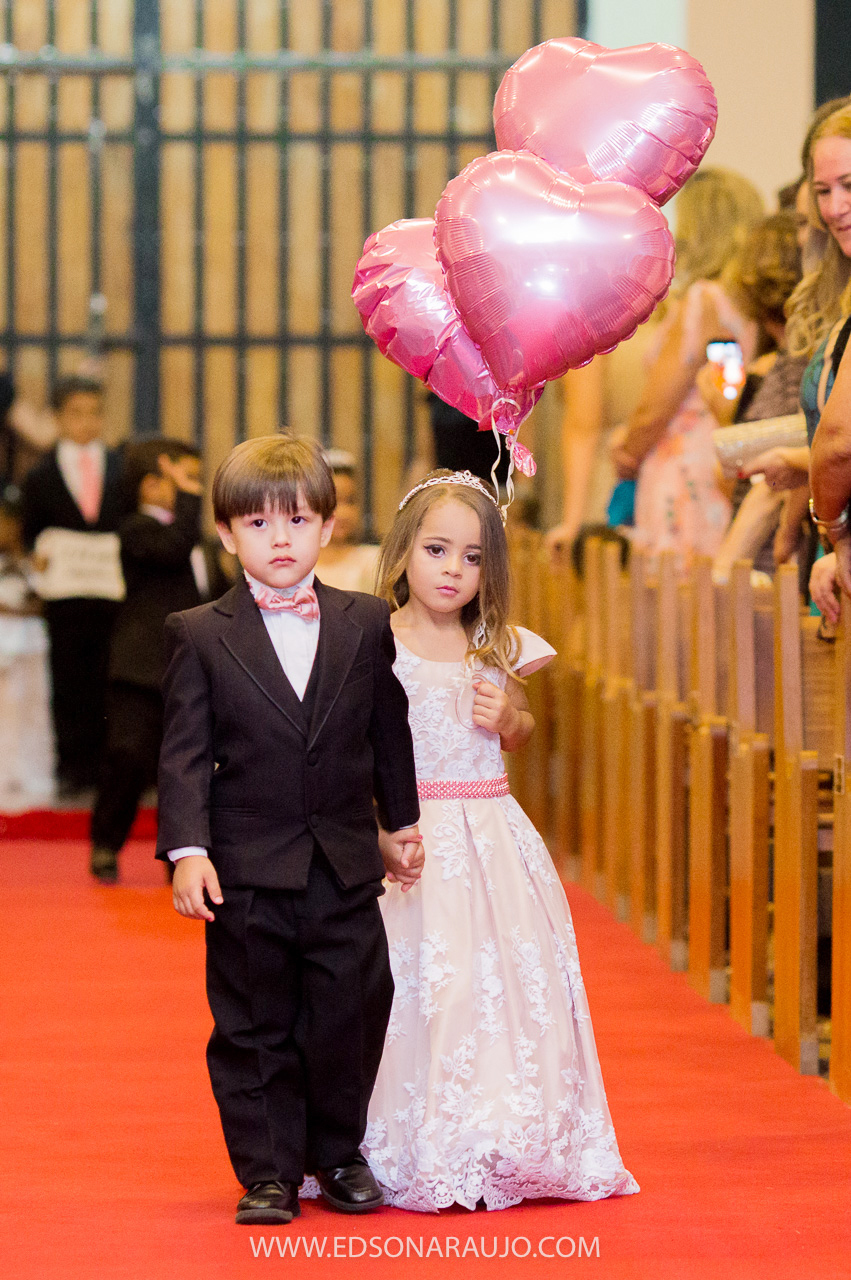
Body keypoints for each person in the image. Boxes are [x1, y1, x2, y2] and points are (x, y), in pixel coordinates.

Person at [156, 435, 422, 1226]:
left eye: (297, 520)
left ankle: (339, 1154)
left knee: (353, 1007)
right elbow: (183, 754)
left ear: (328, 527)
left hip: (341, 862)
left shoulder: (365, 621)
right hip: (243, 868)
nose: (279, 539)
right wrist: (187, 850)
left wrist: (399, 822)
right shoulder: (198, 632)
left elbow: (387, 731)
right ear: (226, 533)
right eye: (258, 523)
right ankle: (268, 1171)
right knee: (252, 1022)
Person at [362, 469, 638, 1211]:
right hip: (412, 837)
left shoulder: (499, 645)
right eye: (437, 550)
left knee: (504, 987)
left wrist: (507, 713)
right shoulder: (372, 642)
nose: (454, 569)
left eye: (474, 557)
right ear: (402, 555)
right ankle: (410, 1136)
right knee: (426, 985)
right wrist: (383, 826)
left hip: (490, 835)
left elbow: (522, 733)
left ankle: (506, 1131)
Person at [611, 168, 765, 563]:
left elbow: (659, 402)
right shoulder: (750, 308)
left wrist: (627, 452)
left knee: (676, 602)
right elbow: (729, 389)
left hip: (682, 467)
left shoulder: (702, 300)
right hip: (721, 456)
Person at [88, 438, 205, 884]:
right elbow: (174, 547)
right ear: (151, 482)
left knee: (183, 764)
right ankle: (105, 842)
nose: (192, 487)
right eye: (183, 477)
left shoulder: (196, 532)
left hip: (186, 665)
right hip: (139, 665)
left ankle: (179, 854)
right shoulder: (136, 528)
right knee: (127, 754)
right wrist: (191, 499)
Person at [21, 375, 126, 795]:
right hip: (65, 599)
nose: (86, 422)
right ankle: (71, 769)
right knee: (67, 681)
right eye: (76, 414)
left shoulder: (121, 467)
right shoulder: (40, 474)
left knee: (110, 681)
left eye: (94, 413)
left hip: (111, 596)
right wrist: (37, 554)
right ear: (58, 418)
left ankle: (109, 771)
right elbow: (32, 534)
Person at [0, 494, 54, 805]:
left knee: (34, 709)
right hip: (4, 642)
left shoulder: (34, 560)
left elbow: (44, 599)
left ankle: (34, 774)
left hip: (31, 643)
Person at [315, 449, 380, 593]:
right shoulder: (295, 566)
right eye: (333, 503)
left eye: (350, 501)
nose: (343, 513)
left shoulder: (374, 562)